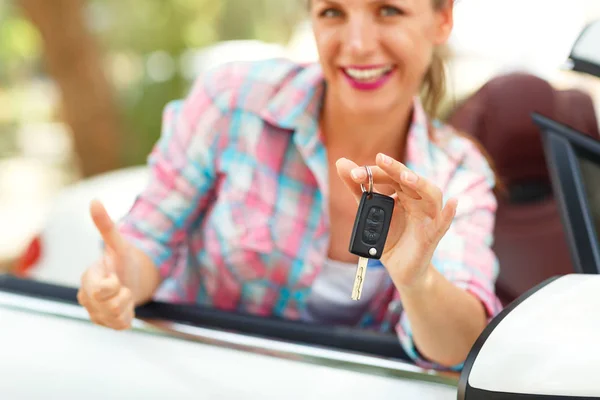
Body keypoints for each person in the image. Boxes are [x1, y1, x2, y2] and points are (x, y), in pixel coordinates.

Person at [77, 0, 502, 370]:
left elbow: (459, 347)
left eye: (388, 10)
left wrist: (418, 280)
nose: (357, 44)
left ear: (442, 19)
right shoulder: (232, 100)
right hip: (195, 374)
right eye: (332, 12)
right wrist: (120, 280)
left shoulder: (456, 173)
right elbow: (149, 243)